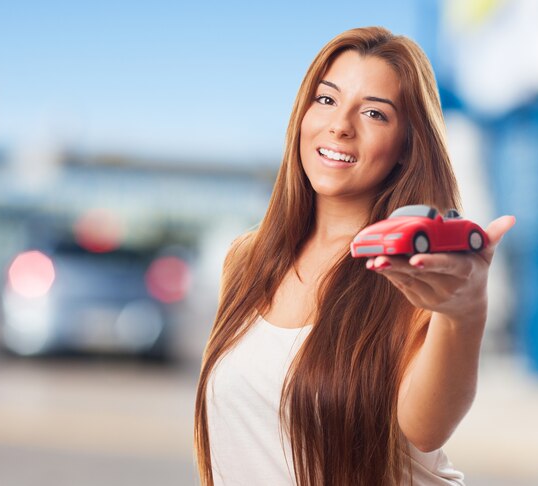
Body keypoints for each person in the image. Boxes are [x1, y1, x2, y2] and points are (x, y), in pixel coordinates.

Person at [194, 26, 515, 486]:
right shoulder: (246, 261)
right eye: (326, 100)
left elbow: (426, 429)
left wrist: (462, 314)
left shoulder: (410, 272)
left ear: (407, 146)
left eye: (373, 113)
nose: (340, 125)